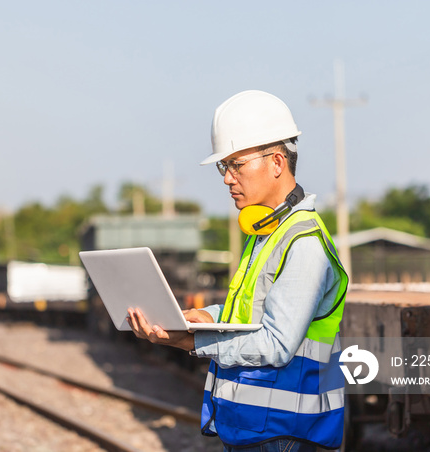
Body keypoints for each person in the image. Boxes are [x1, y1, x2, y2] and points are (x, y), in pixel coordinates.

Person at [127, 90, 348, 452]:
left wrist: (188, 341)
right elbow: (250, 314)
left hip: (285, 436)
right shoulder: (266, 235)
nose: (227, 178)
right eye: (223, 166)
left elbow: (277, 344)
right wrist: (200, 317)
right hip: (254, 430)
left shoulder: (304, 243)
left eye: (236, 165)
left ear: (276, 162)